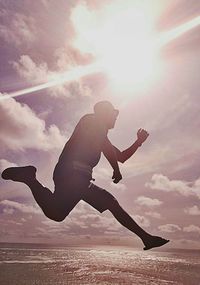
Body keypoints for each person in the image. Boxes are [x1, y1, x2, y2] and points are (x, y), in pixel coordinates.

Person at [2, 101, 169, 250]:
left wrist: (138, 142)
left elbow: (121, 157)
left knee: (57, 214)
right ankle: (146, 238)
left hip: (75, 176)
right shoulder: (91, 120)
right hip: (73, 173)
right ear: (105, 113)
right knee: (111, 202)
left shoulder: (101, 135)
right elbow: (112, 154)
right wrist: (116, 170)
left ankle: (29, 178)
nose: (116, 118)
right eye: (114, 114)